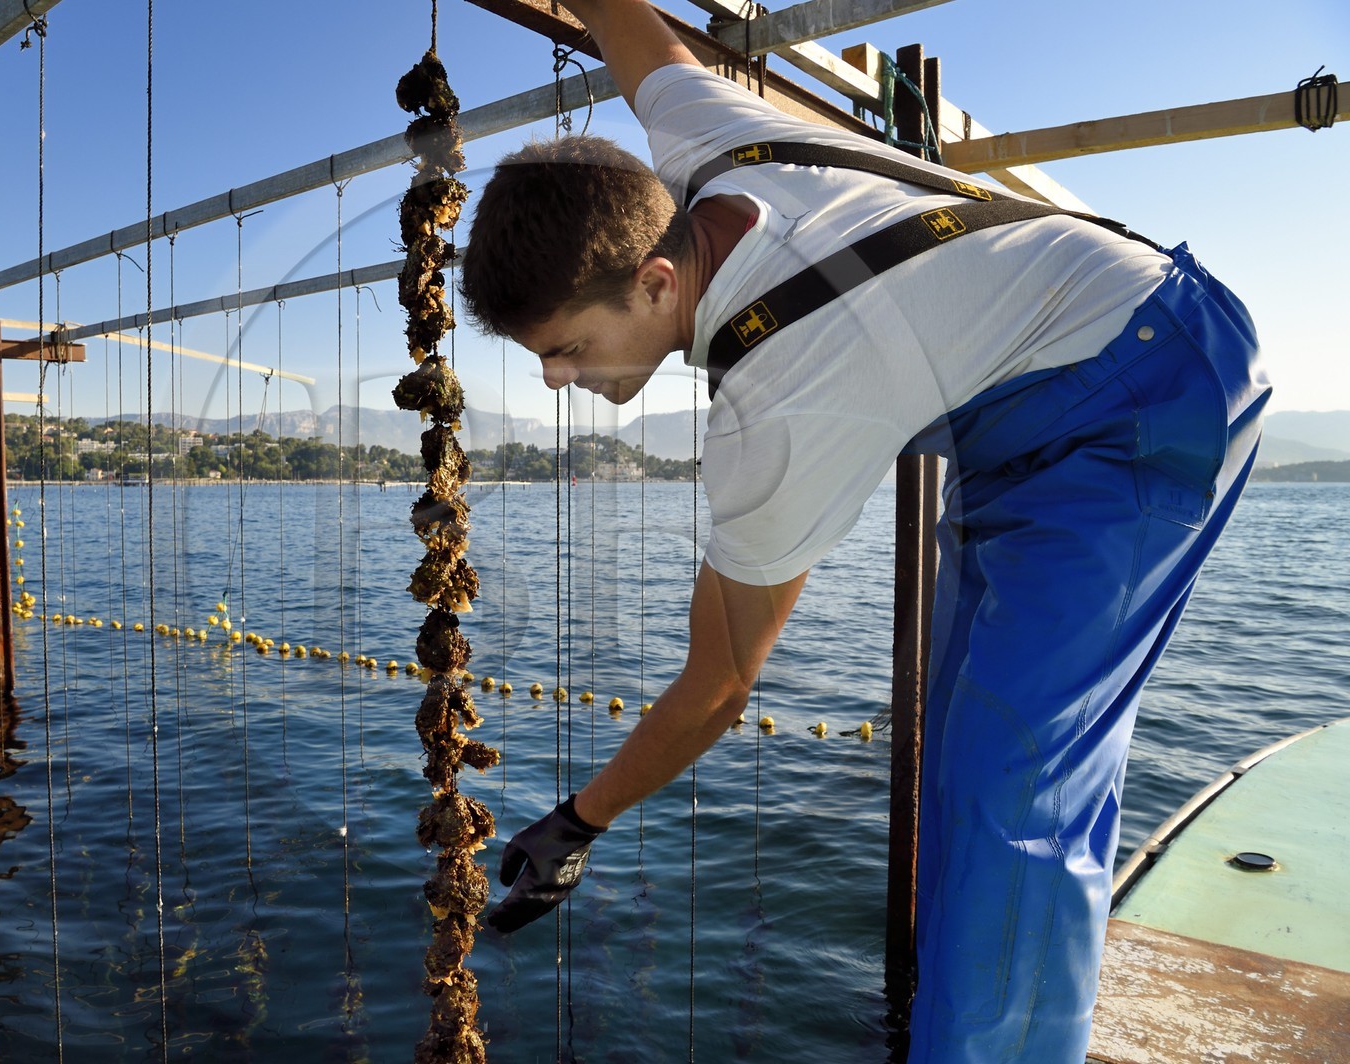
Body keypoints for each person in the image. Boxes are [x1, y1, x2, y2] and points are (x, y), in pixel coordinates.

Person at [456, 2, 1270, 1060]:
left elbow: (717, 686)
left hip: (1148, 391)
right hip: (1027, 404)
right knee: (961, 753)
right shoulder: (703, 145)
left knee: (1010, 786)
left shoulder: (781, 404)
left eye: (566, 346)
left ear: (657, 281)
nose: (556, 379)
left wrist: (577, 823)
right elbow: (633, 30)